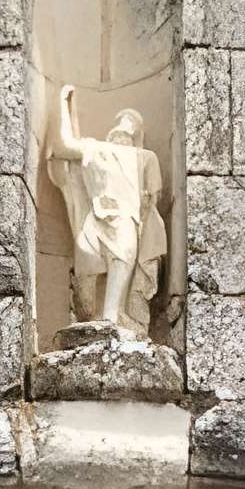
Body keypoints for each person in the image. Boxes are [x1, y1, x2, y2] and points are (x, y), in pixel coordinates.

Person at [46, 81, 166, 338]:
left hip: (126, 219)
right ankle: (90, 318)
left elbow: (153, 199)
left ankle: (112, 319)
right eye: (120, 127)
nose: (123, 132)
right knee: (86, 281)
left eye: (130, 129)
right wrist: (63, 104)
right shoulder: (96, 148)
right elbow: (63, 147)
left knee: (122, 261)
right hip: (96, 219)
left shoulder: (145, 157)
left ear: (136, 135)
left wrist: (147, 228)